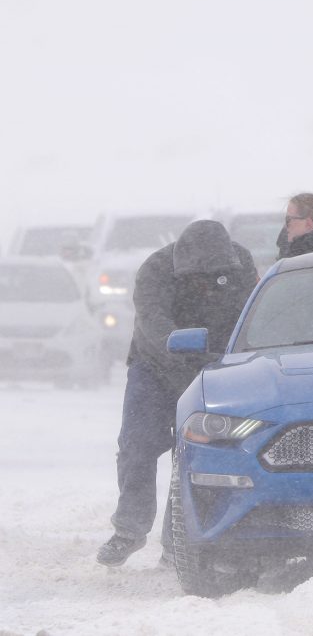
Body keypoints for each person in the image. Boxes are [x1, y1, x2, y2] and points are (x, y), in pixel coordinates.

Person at [96, 220, 258, 567]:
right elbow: (154, 326)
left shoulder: (241, 264)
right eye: (200, 277)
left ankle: (176, 540)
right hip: (154, 368)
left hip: (211, 370)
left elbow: (250, 315)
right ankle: (130, 528)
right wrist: (185, 349)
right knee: (136, 446)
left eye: (215, 275)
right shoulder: (154, 270)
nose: (208, 282)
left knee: (191, 453)